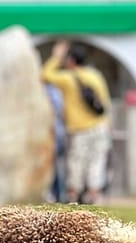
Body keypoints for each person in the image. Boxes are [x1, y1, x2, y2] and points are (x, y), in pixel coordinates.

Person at [41, 40, 112, 204]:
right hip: (100, 126)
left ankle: (73, 194)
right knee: (97, 160)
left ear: (71, 61)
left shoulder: (67, 79)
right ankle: (94, 195)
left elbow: (45, 74)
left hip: (79, 129)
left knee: (77, 162)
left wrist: (56, 57)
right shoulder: (95, 76)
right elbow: (105, 102)